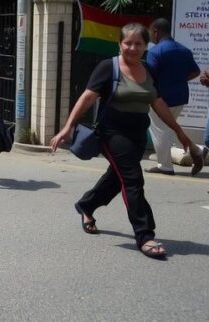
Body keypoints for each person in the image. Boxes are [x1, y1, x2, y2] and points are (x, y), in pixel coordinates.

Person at [50, 23, 195, 259]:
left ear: (146, 46)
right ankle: (145, 235)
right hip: (112, 132)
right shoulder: (108, 67)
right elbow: (87, 97)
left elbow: (157, 102)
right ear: (120, 43)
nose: (132, 47)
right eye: (128, 42)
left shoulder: (149, 70)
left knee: (117, 178)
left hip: (137, 132)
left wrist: (179, 131)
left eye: (138, 43)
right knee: (132, 179)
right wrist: (67, 127)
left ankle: (86, 205)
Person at [144, 18, 204, 176]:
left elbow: (150, 77)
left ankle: (165, 166)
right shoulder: (184, 50)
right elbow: (196, 72)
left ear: (156, 32)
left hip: (161, 99)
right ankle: (197, 150)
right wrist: (178, 80)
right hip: (181, 97)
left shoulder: (155, 52)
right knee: (169, 128)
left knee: (160, 130)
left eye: (151, 32)